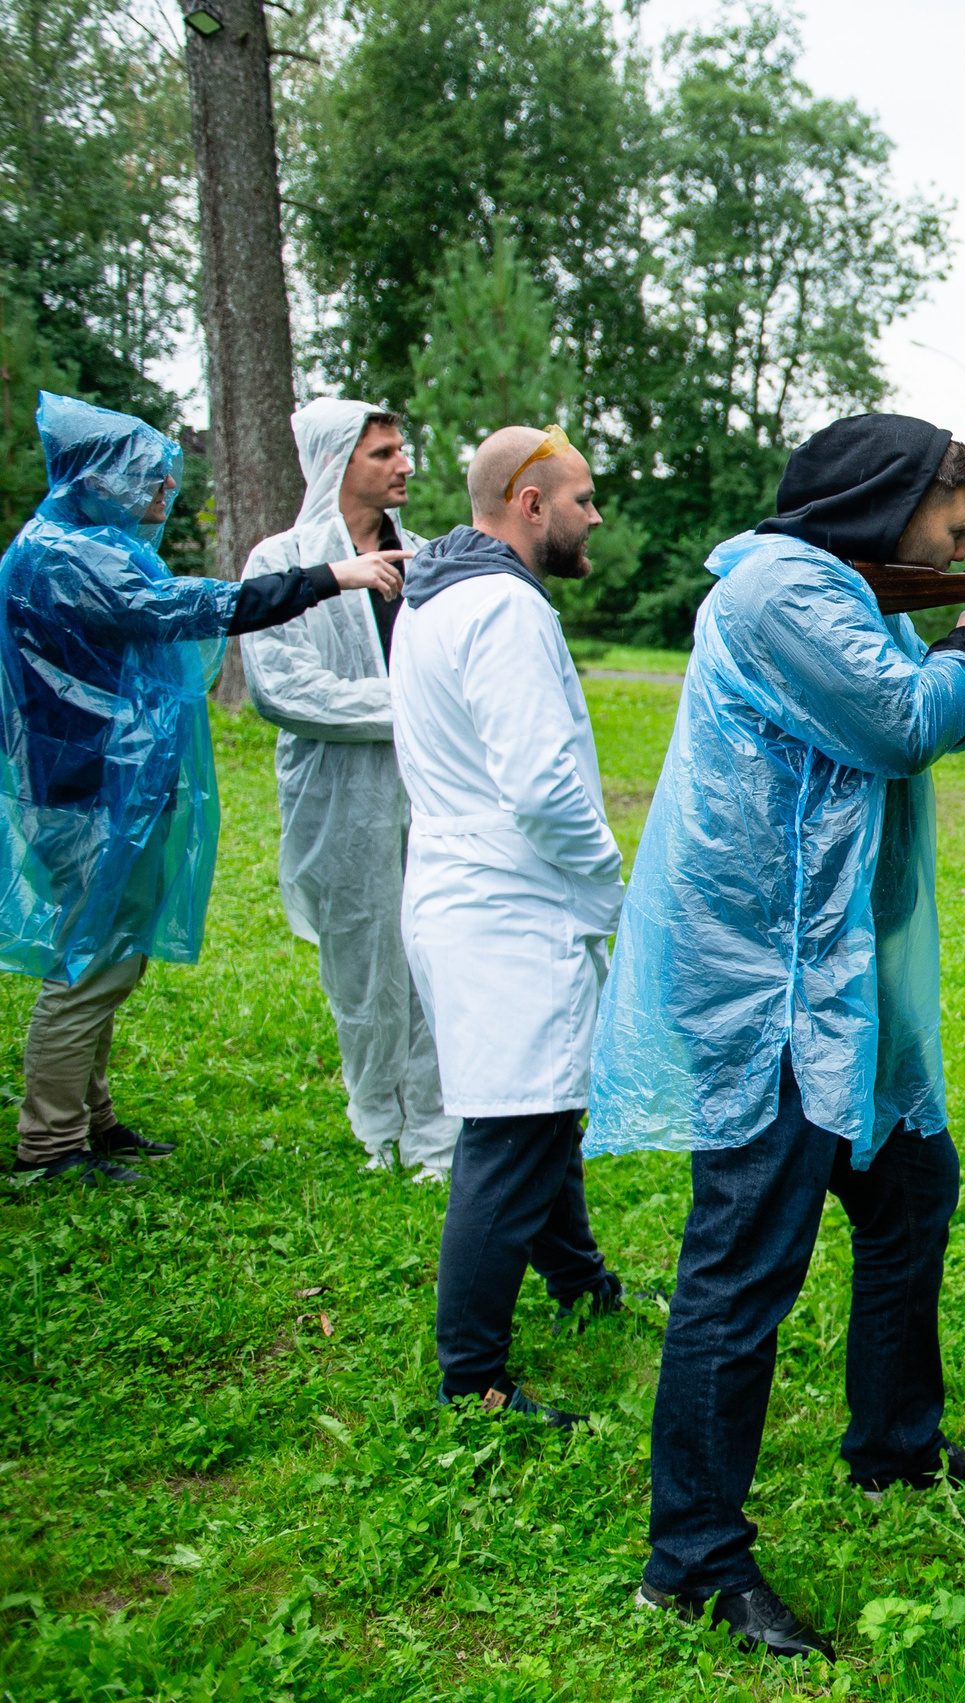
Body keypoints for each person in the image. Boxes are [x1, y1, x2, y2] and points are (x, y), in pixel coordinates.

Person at [587, 416, 965, 1659]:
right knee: (744, 1262)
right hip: (770, 981)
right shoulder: (782, 589)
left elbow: (923, 717)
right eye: (951, 527)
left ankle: (895, 1446)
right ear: (885, 503)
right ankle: (689, 1561)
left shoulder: (844, 591)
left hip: (836, 969)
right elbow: (904, 718)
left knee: (909, 1194)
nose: (959, 549)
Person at [0, 394, 403, 1184]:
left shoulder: (86, 545)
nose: (164, 490)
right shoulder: (64, 556)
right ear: (99, 479)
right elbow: (182, 607)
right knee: (91, 963)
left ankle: (90, 1117)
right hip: (84, 792)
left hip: (105, 785)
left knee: (107, 954)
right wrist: (328, 576)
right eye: (147, 477)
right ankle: (49, 1144)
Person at [390, 423, 632, 1423]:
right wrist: (607, 872)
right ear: (530, 503)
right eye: (582, 498)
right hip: (507, 903)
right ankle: (473, 1378)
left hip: (462, 888)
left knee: (542, 1108)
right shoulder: (503, 606)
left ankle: (581, 1282)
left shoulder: (436, 593)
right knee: (513, 1131)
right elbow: (540, 784)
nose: (594, 516)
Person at [240, 400, 458, 1182]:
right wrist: (415, 709)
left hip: (432, 791)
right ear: (336, 462)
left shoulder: (429, 558)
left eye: (402, 449)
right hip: (339, 796)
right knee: (363, 964)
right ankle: (382, 1128)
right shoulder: (283, 561)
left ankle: (437, 1131)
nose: (405, 464)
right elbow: (283, 687)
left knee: (434, 951)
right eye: (384, 453)